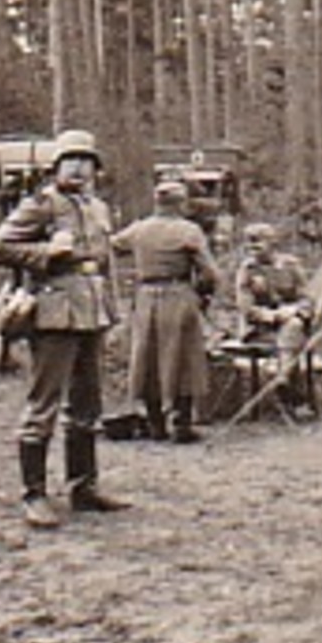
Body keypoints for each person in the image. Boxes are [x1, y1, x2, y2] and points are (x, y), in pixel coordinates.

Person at [0, 129, 130, 529]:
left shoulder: (99, 208)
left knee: (87, 404)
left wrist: (112, 309)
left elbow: (106, 265)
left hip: (93, 311)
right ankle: (33, 494)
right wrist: (47, 252)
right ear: (56, 167)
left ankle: (83, 488)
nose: (80, 168)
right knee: (44, 403)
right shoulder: (41, 205)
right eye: (71, 160)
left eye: (87, 161)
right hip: (53, 312)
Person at [112, 180, 220, 446]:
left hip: (146, 297)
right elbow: (210, 273)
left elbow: (111, 246)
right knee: (184, 358)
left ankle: (155, 424)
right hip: (178, 295)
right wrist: (203, 293)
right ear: (180, 204)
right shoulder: (188, 231)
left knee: (147, 358)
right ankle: (181, 424)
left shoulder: (139, 229)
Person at [234, 221, 315, 418]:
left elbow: (309, 299)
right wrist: (271, 316)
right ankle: (289, 386)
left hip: (291, 323)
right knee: (292, 331)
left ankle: (283, 378)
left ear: (273, 243)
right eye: (249, 244)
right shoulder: (247, 271)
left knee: (293, 326)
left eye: (258, 243)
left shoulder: (291, 266)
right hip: (260, 330)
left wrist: (293, 310)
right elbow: (245, 307)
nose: (253, 249)